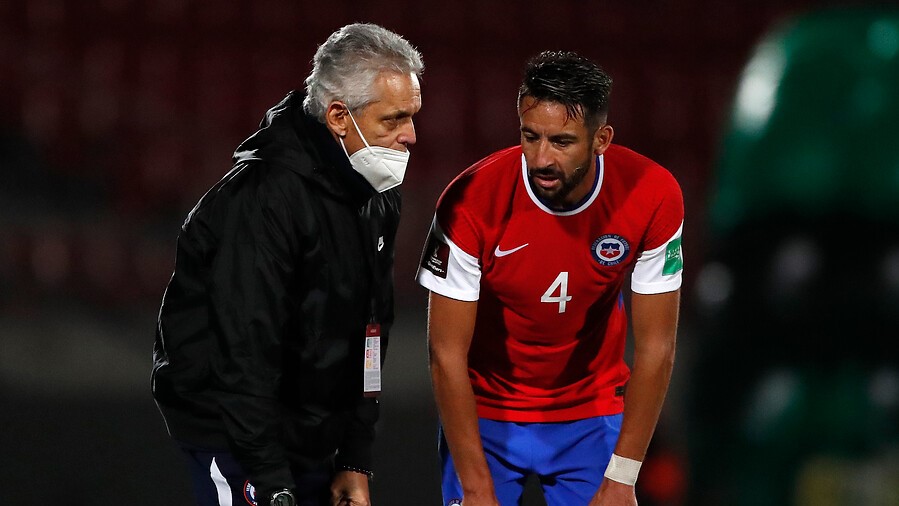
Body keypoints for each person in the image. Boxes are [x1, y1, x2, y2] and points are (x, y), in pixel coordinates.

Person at [151, 23, 423, 506]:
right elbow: (244, 346)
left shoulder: (375, 196)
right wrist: (268, 474)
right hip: (237, 439)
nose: (411, 135)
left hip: (313, 437)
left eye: (412, 117)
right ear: (339, 116)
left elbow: (372, 331)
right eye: (394, 119)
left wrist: (354, 457)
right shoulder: (263, 199)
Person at [416, 51, 683, 506]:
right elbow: (445, 353)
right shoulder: (469, 201)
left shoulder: (653, 195)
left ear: (601, 139)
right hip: (487, 413)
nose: (540, 158)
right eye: (529, 136)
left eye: (561, 141)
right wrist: (477, 487)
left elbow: (658, 348)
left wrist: (622, 478)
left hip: (592, 413)